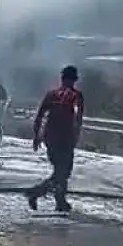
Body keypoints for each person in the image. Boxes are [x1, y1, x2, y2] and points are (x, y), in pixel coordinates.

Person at [26, 65, 85, 212]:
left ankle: (60, 201)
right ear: (74, 79)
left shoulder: (52, 94)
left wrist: (36, 136)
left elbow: (39, 116)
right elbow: (78, 118)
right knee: (63, 171)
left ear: (62, 78)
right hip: (65, 138)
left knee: (60, 170)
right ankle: (37, 192)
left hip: (50, 137)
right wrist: (76, 136)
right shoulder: (76, 96)